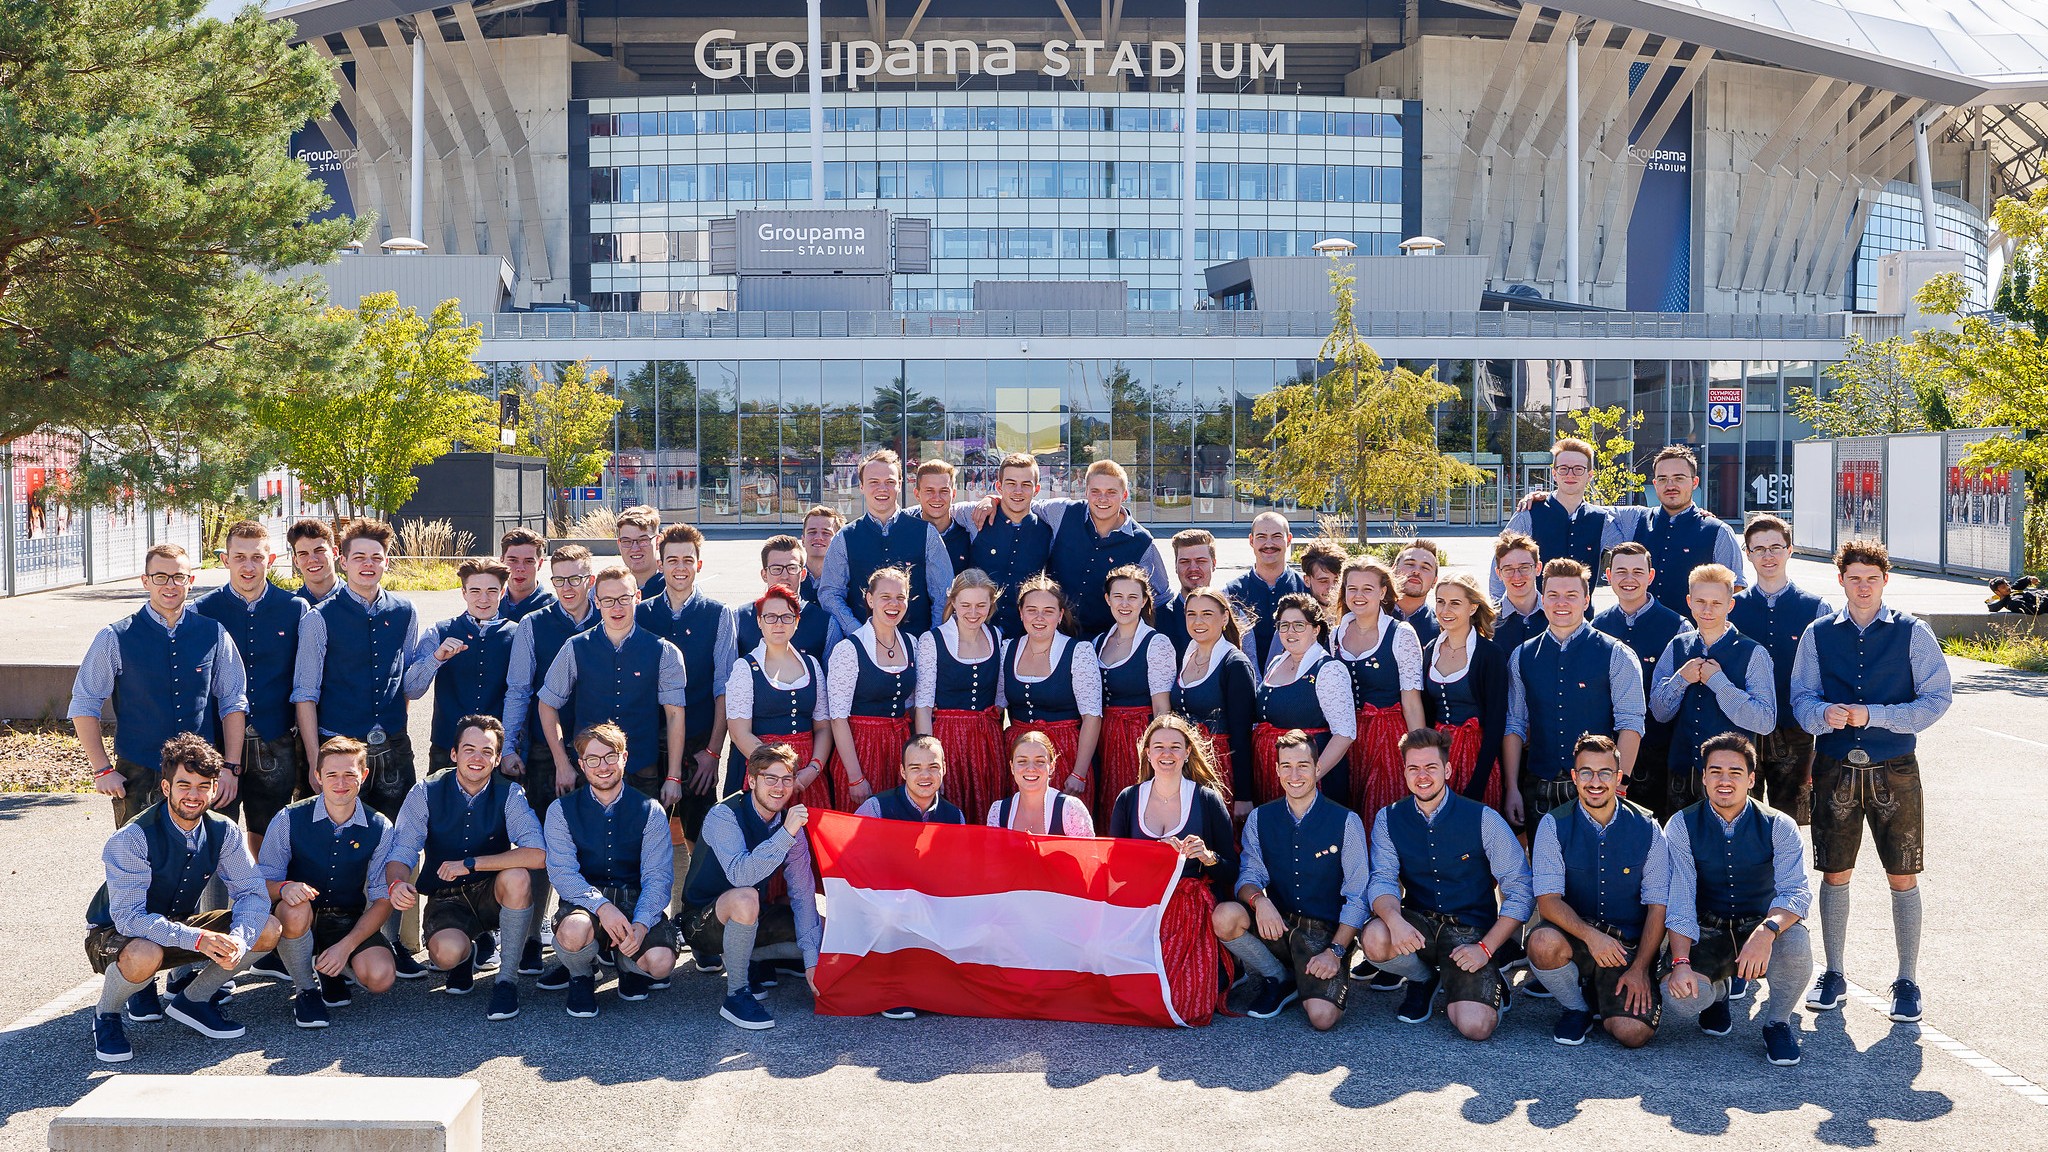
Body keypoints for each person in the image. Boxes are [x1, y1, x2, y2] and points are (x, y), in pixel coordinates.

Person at [1791, 538, 1952, 1025]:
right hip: (1834, 768)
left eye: (1872, 578)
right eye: (1854, 578)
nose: (1863, 587)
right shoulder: (1818, 633)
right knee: (1834, 872)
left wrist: (1874, 714)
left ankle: (1907, 980)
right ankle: (1834, 973)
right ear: (1840, 580)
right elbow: (1801, 699)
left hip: (1895, 768)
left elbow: (1937, 698)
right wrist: (1823, 714)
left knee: (1902, 874)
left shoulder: (1913, 632)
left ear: (1886, 580)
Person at [85, 735, 280, 1062]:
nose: (193, 795)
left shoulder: (224, 831)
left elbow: (252, 892)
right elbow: (130, 919)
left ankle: (194, 1000)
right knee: (144, 953)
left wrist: (240, 939)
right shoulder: (132, 837)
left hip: (177, 924)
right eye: (184, 785)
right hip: (114, 931)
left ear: (215, 789)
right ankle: (106, 1015)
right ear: (166, 787)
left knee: (266, 928)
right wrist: (198, 939)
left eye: (203, 786)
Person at [1361, 728, 1534, 1040]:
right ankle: (1424, 978)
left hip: (1471, 933)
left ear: (1448, 770)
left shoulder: (1483, 818)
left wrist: (1486, 948)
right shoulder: (1389, 818)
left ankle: (1487, 979)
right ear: (1404, 772)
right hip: (1418, 926)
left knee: (1476, 1026)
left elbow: (1520, 889)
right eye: (1414, 768)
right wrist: (1394, 920)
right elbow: (1382, 880)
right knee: (1374, 937)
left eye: (1431, 767)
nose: (1422, 776)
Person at [1661, 733, 1814, 1067]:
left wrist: (1766, 932)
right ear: (1703, 777)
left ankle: (1777, 1022)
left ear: (1751, 779)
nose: (1724, 780)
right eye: (1715, 771)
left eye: (1735, 772)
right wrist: (1681, 962)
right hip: (1706, 929)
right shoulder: (1681, 825)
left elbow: (1796, 893)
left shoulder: (1780, 825)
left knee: (1797, 944)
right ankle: (1717, 992)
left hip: (1758, 924)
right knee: (1681, 1000)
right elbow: (1680, 900)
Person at [72, 542, 250, 825]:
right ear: (146, 581)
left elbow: (233, 701)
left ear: (190, 581)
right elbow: (84, 703)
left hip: (202, 773)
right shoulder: (114, 636)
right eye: (160, 577)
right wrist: (102, 769)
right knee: (138, 851)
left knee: (210, 850)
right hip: (139, 771)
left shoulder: (213, 633)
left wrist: (231, 767)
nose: (170, 585)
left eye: (178, 577)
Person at [383, 715, 545, 1022]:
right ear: (454, 753)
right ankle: (465, 955)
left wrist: (471, 864)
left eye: (487, 752)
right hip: (447, 897)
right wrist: (397, 884)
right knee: (445, 955)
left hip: (492, 891)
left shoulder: (510, 793)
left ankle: (507, 981)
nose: (477, 758)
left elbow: (538, 854)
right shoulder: (425, 791)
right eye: (469, 749)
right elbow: (402, 850)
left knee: (518, 876)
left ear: (497, 759)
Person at [1215, 729, 1370, 1029]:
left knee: (1323, 1018)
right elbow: (1248, 877)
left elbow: (1358, 897)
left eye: (1302, 765)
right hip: (1279, 925)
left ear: (1317, 768)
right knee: (1225, 916)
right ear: (1276, 770)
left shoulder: (1346, 821)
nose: (1294, 775)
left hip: (1323, 936)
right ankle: (1278, 977)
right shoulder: (1260, 818)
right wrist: (1260, 901)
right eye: (1286, 766)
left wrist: (1336, 951)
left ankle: (1311, 974)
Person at [1527, 734, 1669, 1048]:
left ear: (1618, 777)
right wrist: (1592, 937)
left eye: (1604, 773)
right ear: (1574, 777)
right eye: (1586, 772)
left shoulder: (1648, 828)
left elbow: (1658, 906)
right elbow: (1548, 903)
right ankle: (1577, 1007)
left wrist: (1639, 969)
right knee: (1541, 942)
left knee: (1633, 1034)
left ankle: (1604, 995)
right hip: (1576, 937)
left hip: (1626, 947)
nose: (1595, 782)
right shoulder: (1552, 825)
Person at [500, 544, 599, 979]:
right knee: (540, 847)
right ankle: (528, 941)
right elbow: (519, 690)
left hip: (599, 753)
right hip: (545, 752)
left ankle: (577, 945)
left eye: (575, 579)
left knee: (589, 848)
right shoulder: (533, 625)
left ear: (589, 580)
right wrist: (509, 748)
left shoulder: (610, 617)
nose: (567, 588)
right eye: (559, 580)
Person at [678, 742, 823, 1030]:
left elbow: (803, 894)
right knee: (745, 897)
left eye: (787, 779)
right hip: (702, 922)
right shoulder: (724, 814)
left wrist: (813, 963)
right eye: (771, 778)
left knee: (823, 933)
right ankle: (736, 994)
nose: (779, 788)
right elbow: (740, 875)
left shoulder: (787, 823)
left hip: (752, 917)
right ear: (752, 780)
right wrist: (786, 833)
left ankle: (749, 958)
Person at [291, 518, 425, 824]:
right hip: (338, 748)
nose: (368, 564)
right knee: (337, 831)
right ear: (344, 562)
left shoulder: (405, 610)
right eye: (359, 557)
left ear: (386, 562)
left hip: (393, 745)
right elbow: (305, 694)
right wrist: (314, 759)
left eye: (376, 557)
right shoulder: (318, 618)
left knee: (401, 831)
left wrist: (395, 724)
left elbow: (402, 680)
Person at [1108, 716, 1238, 1026]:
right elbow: (1115, 870)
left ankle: (1227, 967)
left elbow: (1232, 871)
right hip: (1144, 908)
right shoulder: (1128, 799)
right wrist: (1151, 856)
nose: (1167, 754)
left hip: (1190, 910)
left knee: (1184, 1005)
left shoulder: (1207, 799)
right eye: (1159, 747)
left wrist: (1208, 857)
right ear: (1147, 753)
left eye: (1175, 747)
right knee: (1127, 997)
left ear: (1188, 752)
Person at [259, 736, 398, 1026]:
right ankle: (306, 990)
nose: (341, 782)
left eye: (350, 774)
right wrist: (285, 887)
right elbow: (260, 883)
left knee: (381, 977)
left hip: (346, 919)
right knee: (295, 908)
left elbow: (382, 899)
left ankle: (329, 966)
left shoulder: (380, 826)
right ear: (318, 776)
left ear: (364, 775)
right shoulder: (288, 818)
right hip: (297, 918)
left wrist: (346, 946)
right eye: (332, 774)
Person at [543, 723, 679, 1018]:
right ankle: (581, 974)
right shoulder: (560, 810)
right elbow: (563, 873)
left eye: (610, 757)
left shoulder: (650, 810)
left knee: (660, 962)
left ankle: (628, 966)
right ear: (581, 765)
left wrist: (641, 925)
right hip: (585, 903)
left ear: (624, 758)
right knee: (573, 931)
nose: (602, 767)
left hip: (633, 900)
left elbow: (658, 877)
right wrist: (602, 907)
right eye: (592, 759)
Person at [1502, 558, 1647, 830]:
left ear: (1586, 600)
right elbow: (1515, 724)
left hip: (1598, 786)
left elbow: (1631, 723)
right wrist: (1511, 787)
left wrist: (1619, 786)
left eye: (1571, 595)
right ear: (1543, 599)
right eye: (1553, 595)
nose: (1561, 603)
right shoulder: (1521, 656)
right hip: (1539, 785)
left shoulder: (1616, 654)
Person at [195, 520, 311, 854]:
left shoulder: (294, 609)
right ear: (225, 559)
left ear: (270, 560)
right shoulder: (202, 610)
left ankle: (263, 889)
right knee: (215, 831)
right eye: (240, 557)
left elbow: (304, 680)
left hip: (275, 739)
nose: (248, 566)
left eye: (257, 557)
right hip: (218, 741)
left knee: (270, 837)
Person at [535, 564, 688, 810]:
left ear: (637, 597)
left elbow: (674, 715)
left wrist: (673, 776)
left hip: (642, 771)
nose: (616, 607)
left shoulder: (665, 652)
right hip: (588, 769)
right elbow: (547, 705)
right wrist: (562, 763)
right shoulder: (575, 647)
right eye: (608, 600)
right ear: (597, 602)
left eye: (624, 598)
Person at [973, 460, 1171, 639]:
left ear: (1125, 495)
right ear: (1086, 492)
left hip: (1106, 642)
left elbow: (1162, 597)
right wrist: (992, 499)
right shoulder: (1062, 512)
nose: (1102, 499)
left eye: (1111, 492)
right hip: (1054, 636)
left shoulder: (1142, 542)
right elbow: (1020, 502)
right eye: (1095, 491)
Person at [635, 523, 736, 842]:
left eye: (687, 560)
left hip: (698, 744)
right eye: (673, 560)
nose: (680, 567)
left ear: (699, 564)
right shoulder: (640, 614)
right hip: (648, 745)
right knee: (646, 838)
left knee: (701, 839)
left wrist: (713, 752)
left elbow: (724, 688)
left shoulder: (719, 614)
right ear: (660, 564)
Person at [1728, 514, 1832, 824]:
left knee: (1792, 821)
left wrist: (1821, 742)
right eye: (1759, 549)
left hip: (1796, 730)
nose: (1768, 556)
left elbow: (1827, 678)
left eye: (1775, 547)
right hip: (1742, 728)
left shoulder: (1815, 608)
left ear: (1790, 550)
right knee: (1742, 818)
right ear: (1748, 554)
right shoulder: (1731, 607)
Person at [1649, 563, 1776, 811]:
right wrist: (1681, 679)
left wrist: (1719, 683)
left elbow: (1765, 721)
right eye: (1700, 601)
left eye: (1717, 603)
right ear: (1689, 601)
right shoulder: (1677, 646)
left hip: (1732, 780)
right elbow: (1659, 713)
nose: (1707, 610)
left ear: (1730, 605)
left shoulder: (1753, 653)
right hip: (1683, 774)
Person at [1590, 542, 1688, 822]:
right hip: (1608, 757)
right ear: (1609, 576)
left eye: (1637, 571)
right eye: (1621, 571)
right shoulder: (1597, 627)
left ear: (1651, 576)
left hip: (1662, 755)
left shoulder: (1678, 627)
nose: (1629, 579)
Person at [820, 449, 955, 638]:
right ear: (861, 486)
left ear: (900, 484)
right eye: (874, 482)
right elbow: (830, 594)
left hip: (917, 644)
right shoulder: (844, 538)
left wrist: (932, 639)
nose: (882, 488)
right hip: (863, 647)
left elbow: (943, 593)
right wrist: (859, 633)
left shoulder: (926, 534)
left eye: (890, 482)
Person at [1331, 557, 1425, 824]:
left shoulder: (1400, 633)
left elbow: (1412, 702)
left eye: (1367, 589)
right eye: (1352, 588)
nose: (1358, 596)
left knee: (1382, 812)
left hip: (1387, 738)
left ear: (1383, 592)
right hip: (1346, 738)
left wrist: (1418, 754)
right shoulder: (1335, 634)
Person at [725, 585, 834, 811]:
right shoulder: (745, 668)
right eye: (770, 617)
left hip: (807, 775)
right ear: (759, 621)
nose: (778, 623)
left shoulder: (812, 665)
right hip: (765, 773)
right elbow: (739, 733)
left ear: (796, 621)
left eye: (786, 617)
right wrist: (777, 773)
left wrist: (813, 769)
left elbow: (823, 727)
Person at [407, 557, 518, 775]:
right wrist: (436, 658)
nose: (483, 599)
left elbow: (521, 694)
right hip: (446, 746)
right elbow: (411, 689)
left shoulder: (518, 633)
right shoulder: (438, 631)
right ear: (464, 593)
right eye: (475, 591)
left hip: (495, 751)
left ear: (503, 592)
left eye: (492, 591)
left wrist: (510, 747)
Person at [914, 570, 1009, 822]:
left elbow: (1000, 698)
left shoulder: (997, 637)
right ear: (953, 602)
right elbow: (923, 706)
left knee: (986, 807)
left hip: (987, 741)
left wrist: (982, 729)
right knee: (950, 811)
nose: (973, 612)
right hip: (947, 740)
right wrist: (930, 760)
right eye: (965, 605)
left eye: (981, 605)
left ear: (991, 604)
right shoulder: (932, 640)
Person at [1002, 576, 1105, 801]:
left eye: (1048, 611)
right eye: (1032, 610)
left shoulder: (1078, 652)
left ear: (1060, 616)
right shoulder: (1007, 650)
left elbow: (1092, 717)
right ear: (1021, 613)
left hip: (1064, 755)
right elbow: (996, 708)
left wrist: (1079, 773)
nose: (1039, 618)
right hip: (1018, 756)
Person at [826, 566, 919, 808]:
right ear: (870, 599)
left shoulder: (912, 644)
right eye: (885, 597)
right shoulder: (849, 649)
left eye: (900, 597)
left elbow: (910, 704)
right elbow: (838, 718)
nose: (894, 604)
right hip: (861, 749)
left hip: (899, 748)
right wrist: (855, 776)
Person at [1253, 593, 1356, 805]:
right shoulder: (1275, 663)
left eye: (1299, 625)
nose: (1290, 632)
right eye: (1284, 625)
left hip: (1312, 778)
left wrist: (1310, 777)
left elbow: (1344, 735)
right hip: (1274, 773)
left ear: (1315, 630)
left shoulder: (1329, 669)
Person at [1421, 573, 1509, 811]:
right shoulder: (1431, 650)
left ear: (1473, 607)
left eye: (1455, 603)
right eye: (1440, 602)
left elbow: (1496, 723)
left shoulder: (1489, 654)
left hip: (1476, 755)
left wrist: (1478, 784)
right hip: (1439, 754)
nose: (1445, 610)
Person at [1092, 565, 1175, 814]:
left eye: (1132, 597)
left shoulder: (1156, 644)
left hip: (1138, 738)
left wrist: (1159, 751)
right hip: (1103, 738)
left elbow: (1161, 708)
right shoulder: (1098, 642)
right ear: (1107, 599)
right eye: (1118, 596)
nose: (1124, 604)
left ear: (1144, 601)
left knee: (1138, 804)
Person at [1490, 437, 1615, 601]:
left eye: (1578, 469)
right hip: (1535, 614)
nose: (1570, 474)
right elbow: (1500, 562)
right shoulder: (1528, 513)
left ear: (1590, 475)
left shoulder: (1602, 520)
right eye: (1563, 468)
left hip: (1583, 615)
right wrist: (1498, 608)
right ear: (1554, 473)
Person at [1170, 587, 1258, 815]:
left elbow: (1242, 734)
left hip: (1220, 768)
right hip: (1186, 766)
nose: (1198, 621)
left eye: (1207, 614)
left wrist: (1244, 796)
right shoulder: (1189, 654)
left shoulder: (1235, 664)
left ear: (1225, 618)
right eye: (1191, 614)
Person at [1629, 447, 1746, 618]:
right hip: (1641, 628)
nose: (1670, 485)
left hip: (1696, 632)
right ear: (1655, 484)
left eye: (1679, 478)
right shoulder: (1635, 522)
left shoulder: (1718, 532)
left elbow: (1734, 590)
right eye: (1662, 479)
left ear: (1695, 482)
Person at [955, 453, 1056, 638]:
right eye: (1011, 483)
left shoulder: (1047, 531)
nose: (1018, 491)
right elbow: (939, 510)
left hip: (1024, 636)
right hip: (976, 632)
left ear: (1036, 489)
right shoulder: (976, 517)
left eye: (1026, 485)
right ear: (999, 486)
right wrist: (990, 499)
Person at [1227, 511, 1311, 669]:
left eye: (1277, 536)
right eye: (1261, 537)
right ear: (1251, 541)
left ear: (1289, 540)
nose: (1269, 544)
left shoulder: (1306, 589)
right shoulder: (1231, 593)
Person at [735, 534, 839, 662]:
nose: (784, 576)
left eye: (792, 568)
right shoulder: (740, 618)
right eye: (776, 569)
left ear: (803, 574)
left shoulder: (826, 624)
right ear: (764, 575)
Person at [988, 728, 1095, 836]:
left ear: (1052, 767)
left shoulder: (1070, 809)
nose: (1031, 769)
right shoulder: (998, 811)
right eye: (1022, 761)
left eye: (1039, 761)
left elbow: (1086, 847)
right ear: (1012, 767)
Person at [854, 734, 967, 825]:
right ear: (903, 771)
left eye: (933, 767)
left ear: (944, 769)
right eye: (915, 768)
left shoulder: (955, 817)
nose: (925, 775)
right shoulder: (876, 809)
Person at [1158, 529, 1218, 657]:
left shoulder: (1231, 615)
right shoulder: (1159, 619)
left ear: (1213, 564)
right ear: (1175, 566)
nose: (1193, 568)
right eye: (1185, 562)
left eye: (1201, 561)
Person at [913, 458, 974, 578]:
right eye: (929, 491)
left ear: (954, 494)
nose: (937, 498)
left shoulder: (968, 538)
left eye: (944, 491)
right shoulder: (905, 534)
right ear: (917, 494)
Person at [1489, 532, 1547, 653]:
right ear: (1499, 573)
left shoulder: (1558, 615)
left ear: (1538, 568)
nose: (1517, 577)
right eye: (1508, 569)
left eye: (1524, 567)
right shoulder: (1487, 621)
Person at [498, 527, 557, 622]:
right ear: (501, 561)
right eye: (513, 560)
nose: (520, 568)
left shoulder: (554, 610)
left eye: (529, 561)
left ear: (540, 564)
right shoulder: (488, 606)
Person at [1392, 539, 1443, 646]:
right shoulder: (1369, 616)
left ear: (1434, 581)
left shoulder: (1442, 628)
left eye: (1425, 567)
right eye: (1410, 564)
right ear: (1393, 570)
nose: (1416, 571)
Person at [613, 506, 665, 602]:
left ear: (658, 542)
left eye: (643, 540)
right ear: (619, 544)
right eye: (626, 541)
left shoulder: (672, 589)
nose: (635, 548)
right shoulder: (609, 590)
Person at [287, 518, 339, 605]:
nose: (312, 559)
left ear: (335, 553)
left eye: (319, 551)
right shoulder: (287, 606)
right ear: (296, 561)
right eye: (303, 554)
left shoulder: (359, 601)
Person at [800, 505, 843, 605]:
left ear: (838, 542)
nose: (818, 537)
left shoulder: (847, 581)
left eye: (826, 533)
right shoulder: (790, 577)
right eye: (812, 532)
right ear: (803, 540)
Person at [1298, 539, 1348, 610]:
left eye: (1337, 581)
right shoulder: (1297, 615)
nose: (1331, 588)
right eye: (1323, 581)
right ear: (1307, 581)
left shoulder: (1357, 614)